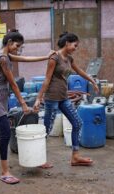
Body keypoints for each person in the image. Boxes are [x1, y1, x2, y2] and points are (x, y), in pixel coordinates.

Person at [0, 29, 55, 185]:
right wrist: (23, 103)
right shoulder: (2, 58)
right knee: (5, 133)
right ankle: (4, 172)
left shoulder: (6, 55)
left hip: (0, 98)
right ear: (9, 43)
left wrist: (46, 57)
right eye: (17, 45)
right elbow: (13, 83)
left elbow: (25, 58)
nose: (18, 49)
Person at [33, 32, 99, 168]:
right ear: (67, 43)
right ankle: (38, 158)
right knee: (46, 129)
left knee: (77, 123)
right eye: (75, 45)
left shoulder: (69, 59)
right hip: (52, 97)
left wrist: (92, 80)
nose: (76, 48)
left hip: (63, 97)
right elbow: (47, 79)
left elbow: (79, 71)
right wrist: (38, 98)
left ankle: (75, 157)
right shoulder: (54, 58)